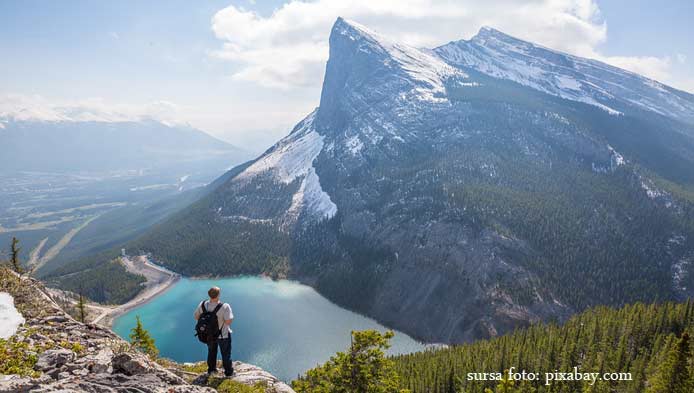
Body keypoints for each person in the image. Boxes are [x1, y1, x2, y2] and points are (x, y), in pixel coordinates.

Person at [194, 286, 234, 376]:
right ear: (218, 295)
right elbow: (228, 321)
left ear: (209, 295)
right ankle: (228, 373)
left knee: (211, 352)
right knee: (226, 354)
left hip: (209, 335)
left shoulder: (202, 304)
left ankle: (212, 371)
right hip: (223, 335)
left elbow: (196, 317)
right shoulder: (225, 306)